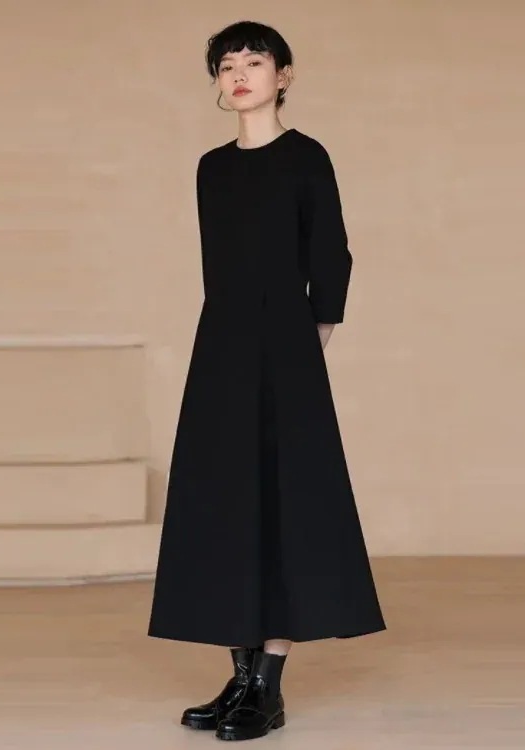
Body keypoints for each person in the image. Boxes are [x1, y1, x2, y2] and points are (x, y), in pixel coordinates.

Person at [147, 20, 386, 742]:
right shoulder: (211, 169)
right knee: (224, 502)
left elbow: (331, 254)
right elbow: (219, 267)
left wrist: (307, 343)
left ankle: (269, 686)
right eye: (227, 65)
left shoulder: (307, 158)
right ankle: (240, 676)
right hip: (221, 346)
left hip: (287, 346)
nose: (240, 74)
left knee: (284, 503)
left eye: (254, 62)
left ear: (284, 75)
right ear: (218, 83)